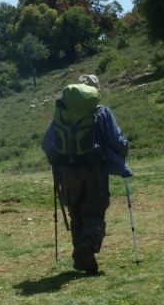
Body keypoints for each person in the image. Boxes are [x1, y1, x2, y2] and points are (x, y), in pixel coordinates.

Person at [41, 75, 132, 275]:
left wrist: (57, 161)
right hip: (94, 169)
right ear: (95, 92)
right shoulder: (101, 112)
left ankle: (80, 258)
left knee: (75, 212)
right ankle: (88, 246)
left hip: (68, 171)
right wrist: (121, 156)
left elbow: (47, 144)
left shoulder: (62, 112)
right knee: (94, 210)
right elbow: (118, 142)